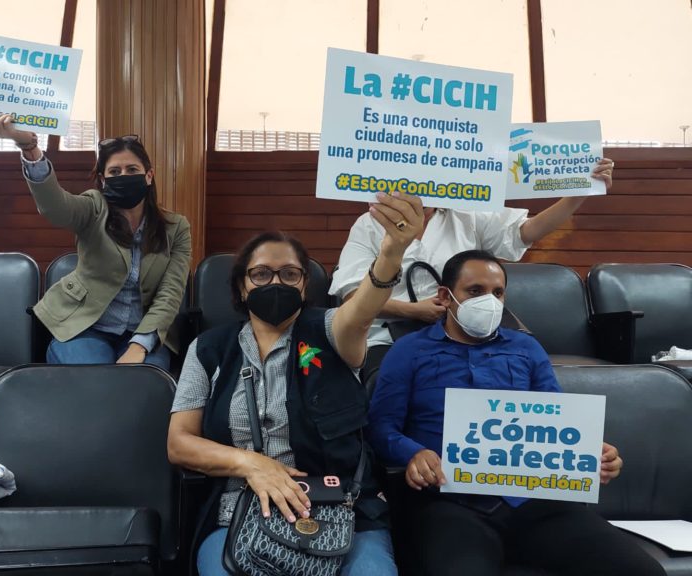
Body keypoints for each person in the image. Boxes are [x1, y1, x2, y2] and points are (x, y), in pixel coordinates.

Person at [167, 190, 424, 576]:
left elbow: (361, 311)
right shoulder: (208, 348)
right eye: (261, 274)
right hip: (240, 511)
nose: (276, 282)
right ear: (241, 287)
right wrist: (251, 464)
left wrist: (391, 253)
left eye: (290, 274)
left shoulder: (332, 331)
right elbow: (179, 443)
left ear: (304, 286)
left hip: (342, 509)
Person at [366, 250, 665, 576]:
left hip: (533, 500)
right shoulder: (409, 351)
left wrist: (589, 454)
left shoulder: (526, 349)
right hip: (449, 502)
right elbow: (381, 427)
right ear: (445, 296)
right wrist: (414, 454)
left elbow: (555, 422)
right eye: (475, 291)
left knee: (642, 571)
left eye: (497, 293)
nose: (489, 301)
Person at [329, 159, 616, 364]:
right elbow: (353, 296)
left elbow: (526, 231)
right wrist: (413, 311)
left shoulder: (466, 213)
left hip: (467, 335)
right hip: (389, 341)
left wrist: (578, 194)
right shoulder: (369, 225)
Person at [0, 114, 191, 371]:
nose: (123, 175)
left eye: (132, 170)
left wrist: (140, 345)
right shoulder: (93, 207)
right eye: (114, 172)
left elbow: (170, 293)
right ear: (103, 180)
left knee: (142, 385)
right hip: (84, 326)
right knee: (91, 381)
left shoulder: (176, 227)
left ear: (149, 176)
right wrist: (29, 147)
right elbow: (55, 207)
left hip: (144, 331)